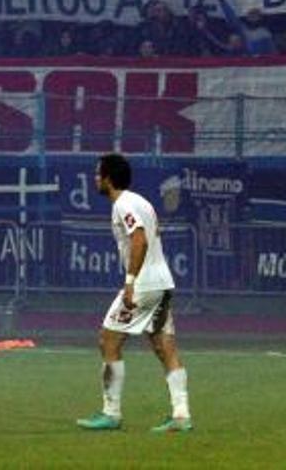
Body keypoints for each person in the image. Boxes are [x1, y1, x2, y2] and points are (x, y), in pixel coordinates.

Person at [77, 152, 192, 434]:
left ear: (108, 178)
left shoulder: (123, 204)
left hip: (144, 286)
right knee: (164, 347)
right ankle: (181, 415)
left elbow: (139, 239)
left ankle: (111, 413)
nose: (95, 178)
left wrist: (130, 282)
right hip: (162, 283)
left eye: (98, 174)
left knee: (108, 340)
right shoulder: (141, 201)